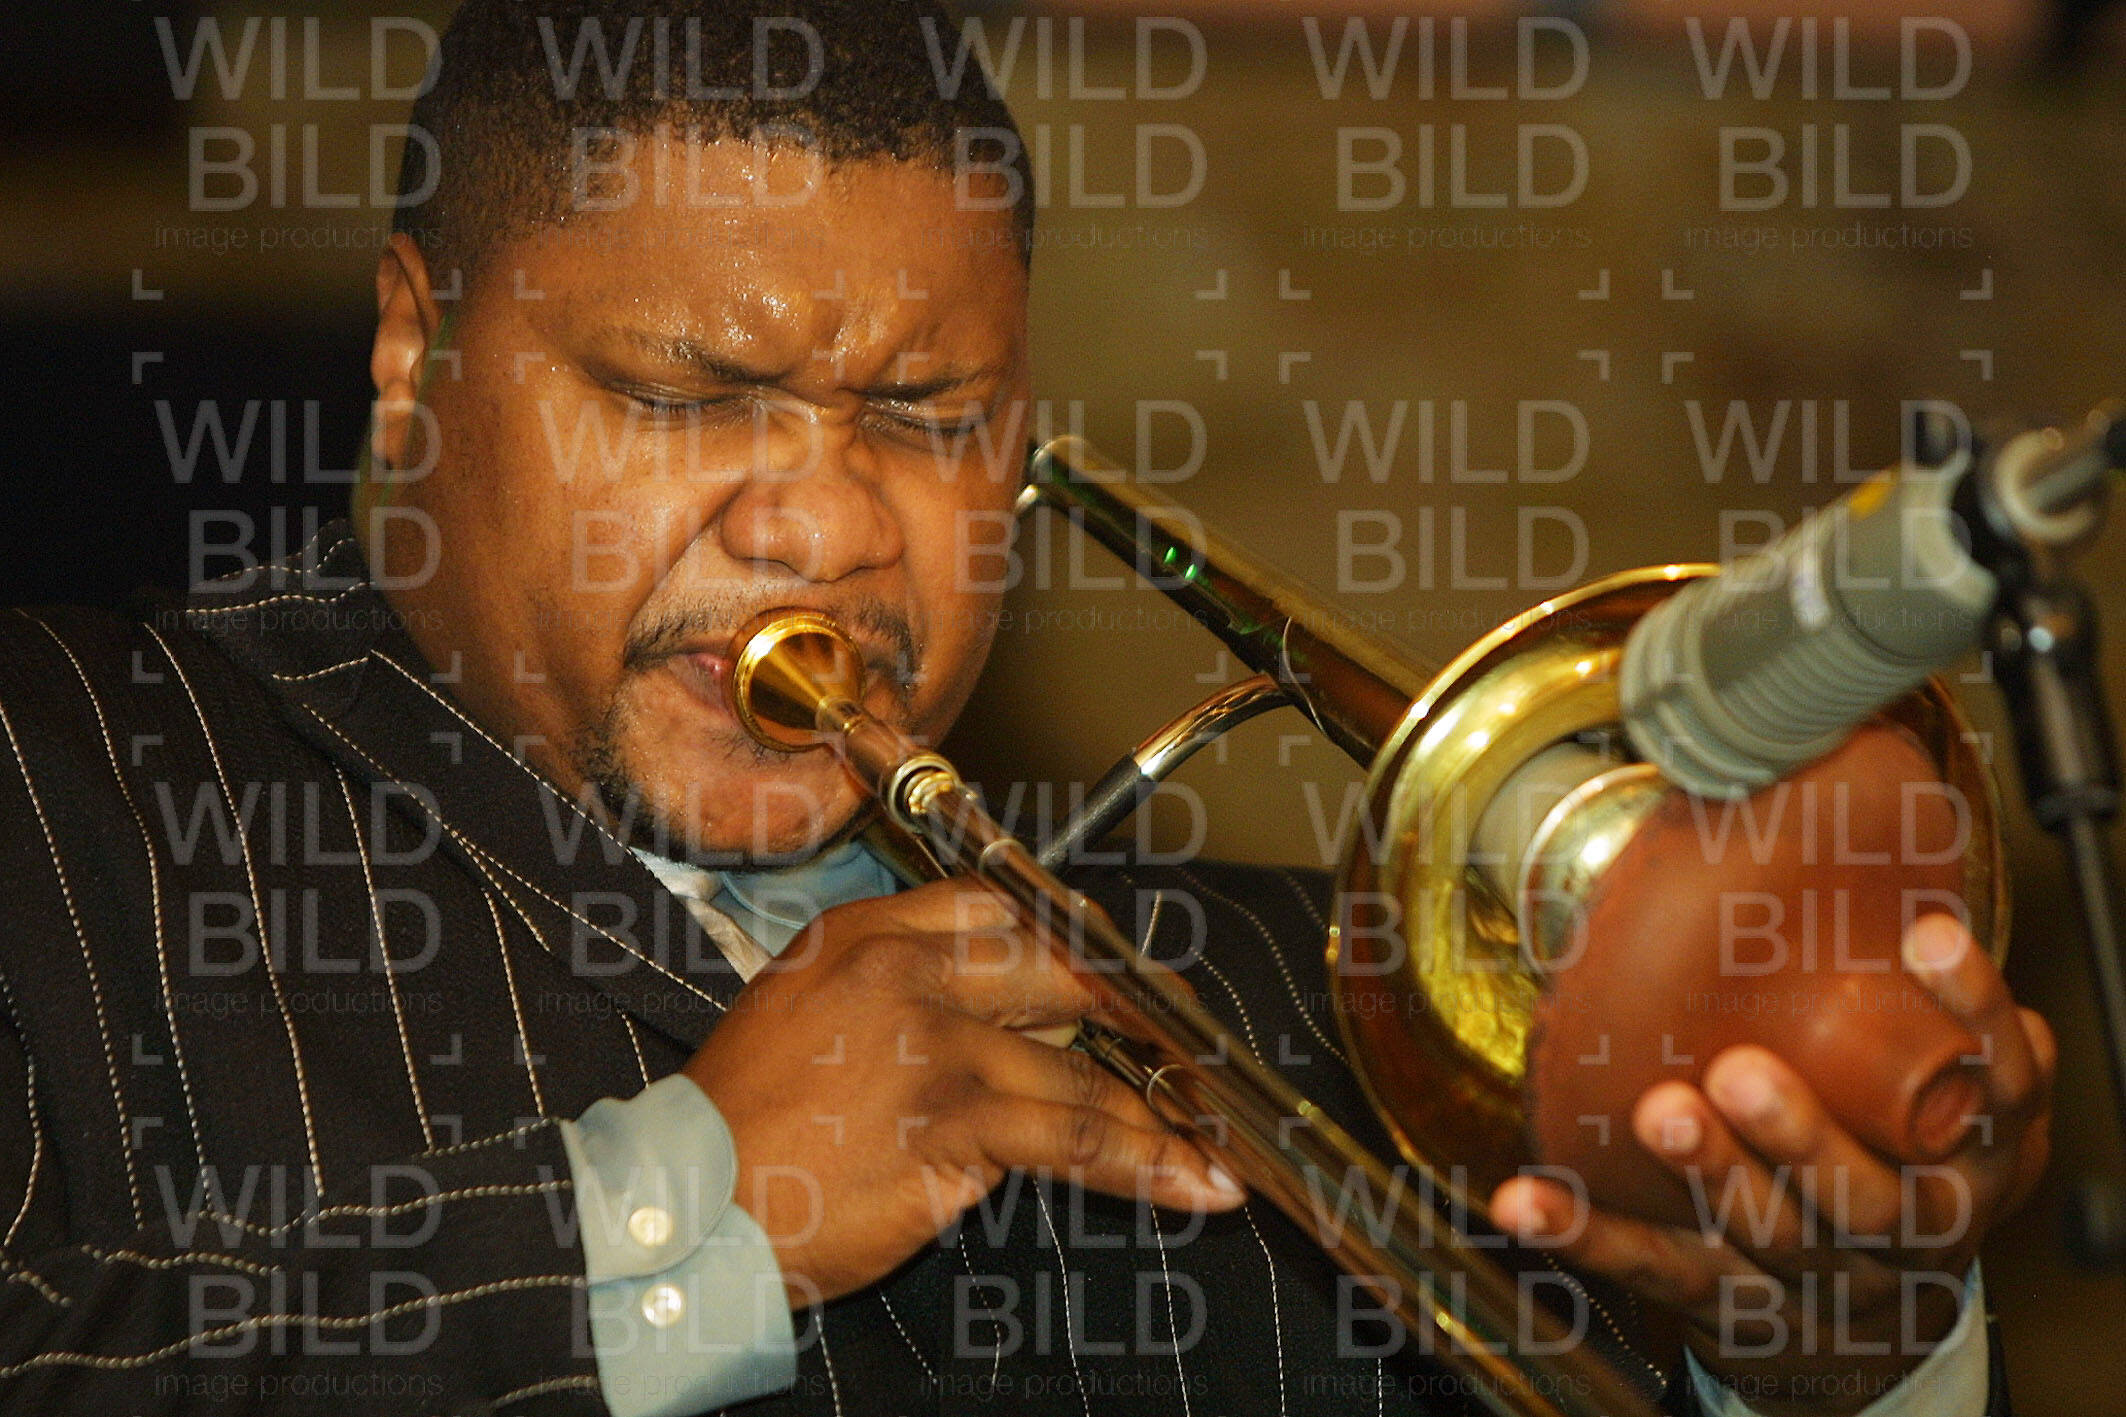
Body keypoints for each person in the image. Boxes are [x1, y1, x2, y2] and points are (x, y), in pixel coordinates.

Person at [0, 2, 2051, 1414]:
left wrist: (1827, 1350)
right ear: (409, 351)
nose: (823, 523)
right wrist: (680, 1211)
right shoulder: (63, 769)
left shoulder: (1304, 1009)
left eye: (925, 415)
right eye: (688, 393)